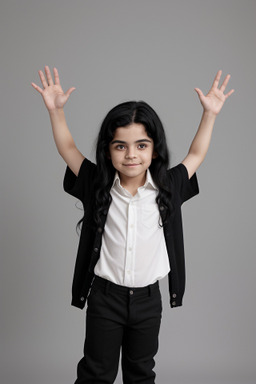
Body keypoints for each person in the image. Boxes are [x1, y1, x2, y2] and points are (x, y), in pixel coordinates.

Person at [31, 66, 234, 384]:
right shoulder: (96, 183)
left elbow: (196, 153)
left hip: (148, 301)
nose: (130, 155)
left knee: (141, 373)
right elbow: (68, 149)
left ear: (154, 150)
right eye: (120, 146)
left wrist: (210, 115)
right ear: (108, 150)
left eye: (141, 145)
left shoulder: (169, 186)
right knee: (96, 372)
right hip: (105, 298)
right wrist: (55, 111)